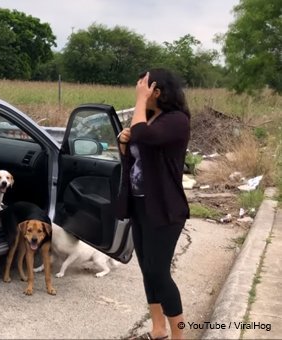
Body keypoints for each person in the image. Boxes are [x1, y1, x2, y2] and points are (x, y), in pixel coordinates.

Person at [117, 68, 191, 340]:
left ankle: (179, 336)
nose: (138, 91)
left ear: (156, 92)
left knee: (159, 273)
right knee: (147, 270)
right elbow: (137, 158)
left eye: (142, 87)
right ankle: (158, 330)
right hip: (140, 206)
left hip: (165, 208)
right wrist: (124, 145)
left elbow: (145, 137)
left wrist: (138, 102)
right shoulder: (148, 118)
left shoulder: (177, 120)